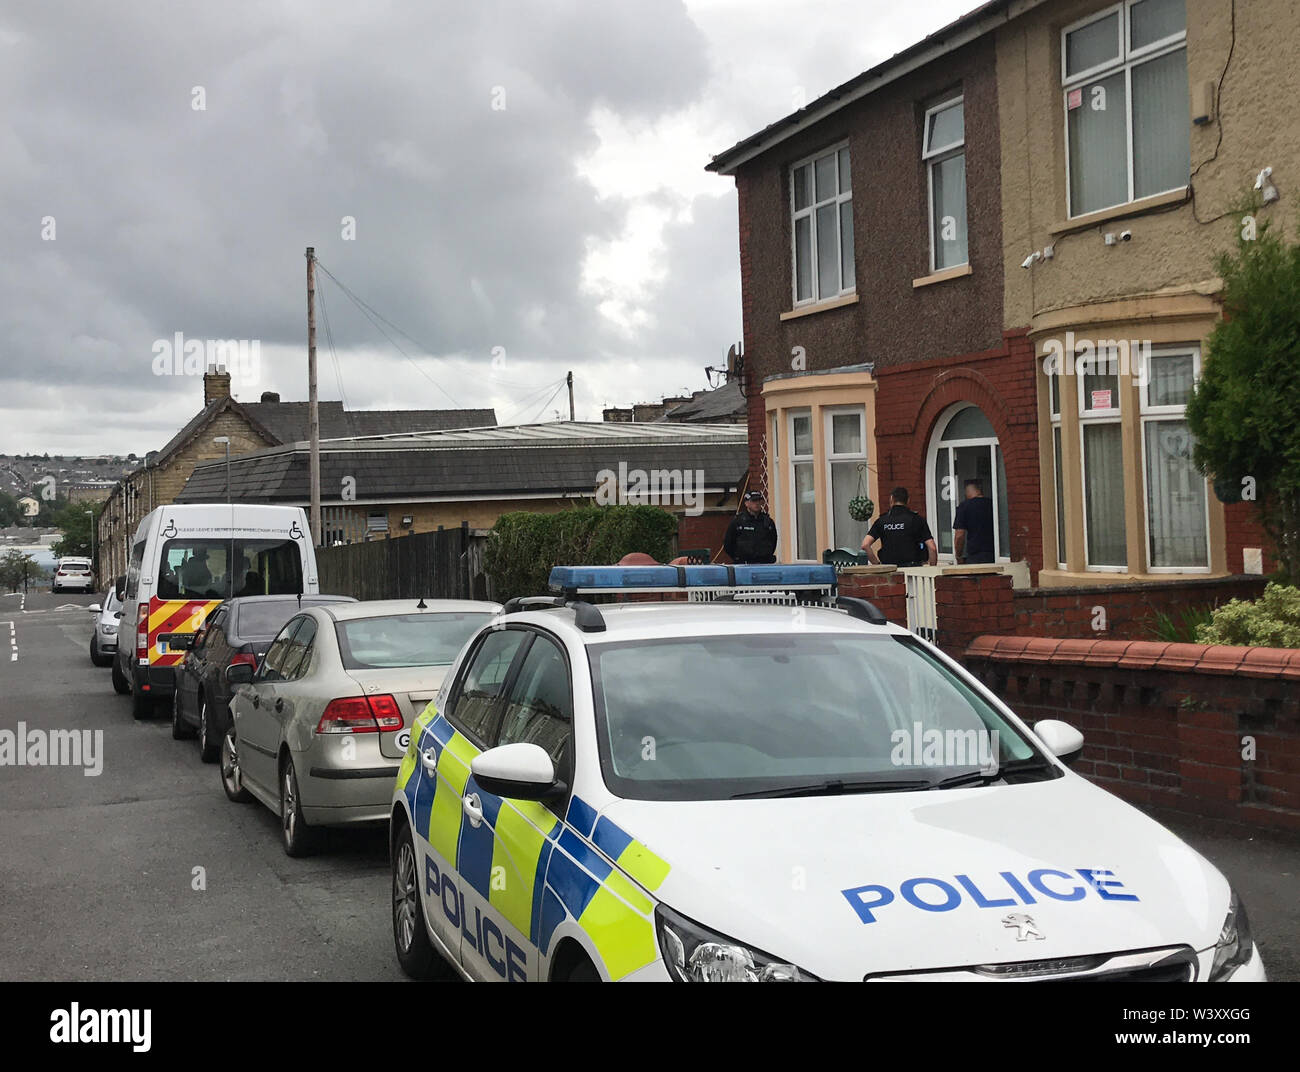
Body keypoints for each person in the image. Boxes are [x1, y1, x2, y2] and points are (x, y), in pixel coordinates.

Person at [861, 487, 938, 567]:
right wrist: (932, 568)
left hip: (889, 570)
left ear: (891, 499)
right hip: (912, 570)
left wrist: (877, 565)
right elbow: (932, 548)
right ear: (908, 500)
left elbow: (865, 545)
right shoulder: (917, 520)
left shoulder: (882, 521)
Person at [723, 490, 778, 564]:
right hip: (743, 564)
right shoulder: (738, 521)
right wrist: (737, 558)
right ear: (746, 503)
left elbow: (773, 541)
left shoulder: (768, 522)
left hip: (764, 563)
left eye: (759, 501)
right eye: (753, 501)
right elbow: (728, 543)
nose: (757, 503)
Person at [953, 478, 996, 564]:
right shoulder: (993, 504)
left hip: (975, 555)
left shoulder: (964, 506)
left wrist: (958, 555)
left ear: (967, 491)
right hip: (994, 554)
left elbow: (959, 535)